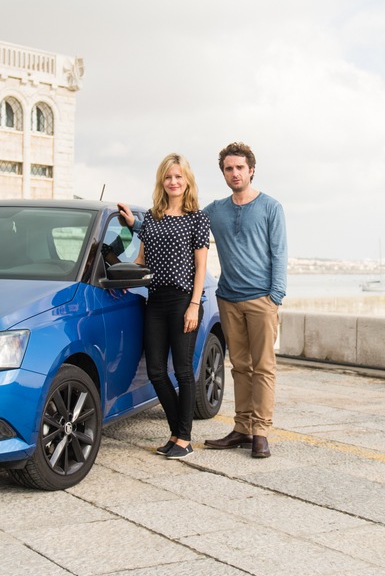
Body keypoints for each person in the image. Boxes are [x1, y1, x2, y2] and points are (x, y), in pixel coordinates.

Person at [117, 154, 211, 460]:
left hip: (184, 300)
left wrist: (194, 305)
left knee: (183, 371)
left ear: (187, 181)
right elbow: (142, 261)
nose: (173, 182)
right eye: (168, 177)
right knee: (156, 371)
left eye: (179, 177)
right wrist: (116, 269)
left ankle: (184, 438)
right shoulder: (154, 219)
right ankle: (177, 432)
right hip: (155, 300)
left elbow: (200, 268)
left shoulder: (197, 218)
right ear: (162, 181)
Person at [201, 142, 286, 458]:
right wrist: (137, 222)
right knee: (239, 366)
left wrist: (274, 297)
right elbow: (181, 225)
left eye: (239, 168)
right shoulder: (215, 209)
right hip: (228, 299)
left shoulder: (270, 207)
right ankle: (241, 428)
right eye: (228, 168)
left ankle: (260, 432)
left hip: (261, 300)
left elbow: (279, 253)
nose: (234, 173)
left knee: (263, 367)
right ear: (223, 172)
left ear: (251, 170)